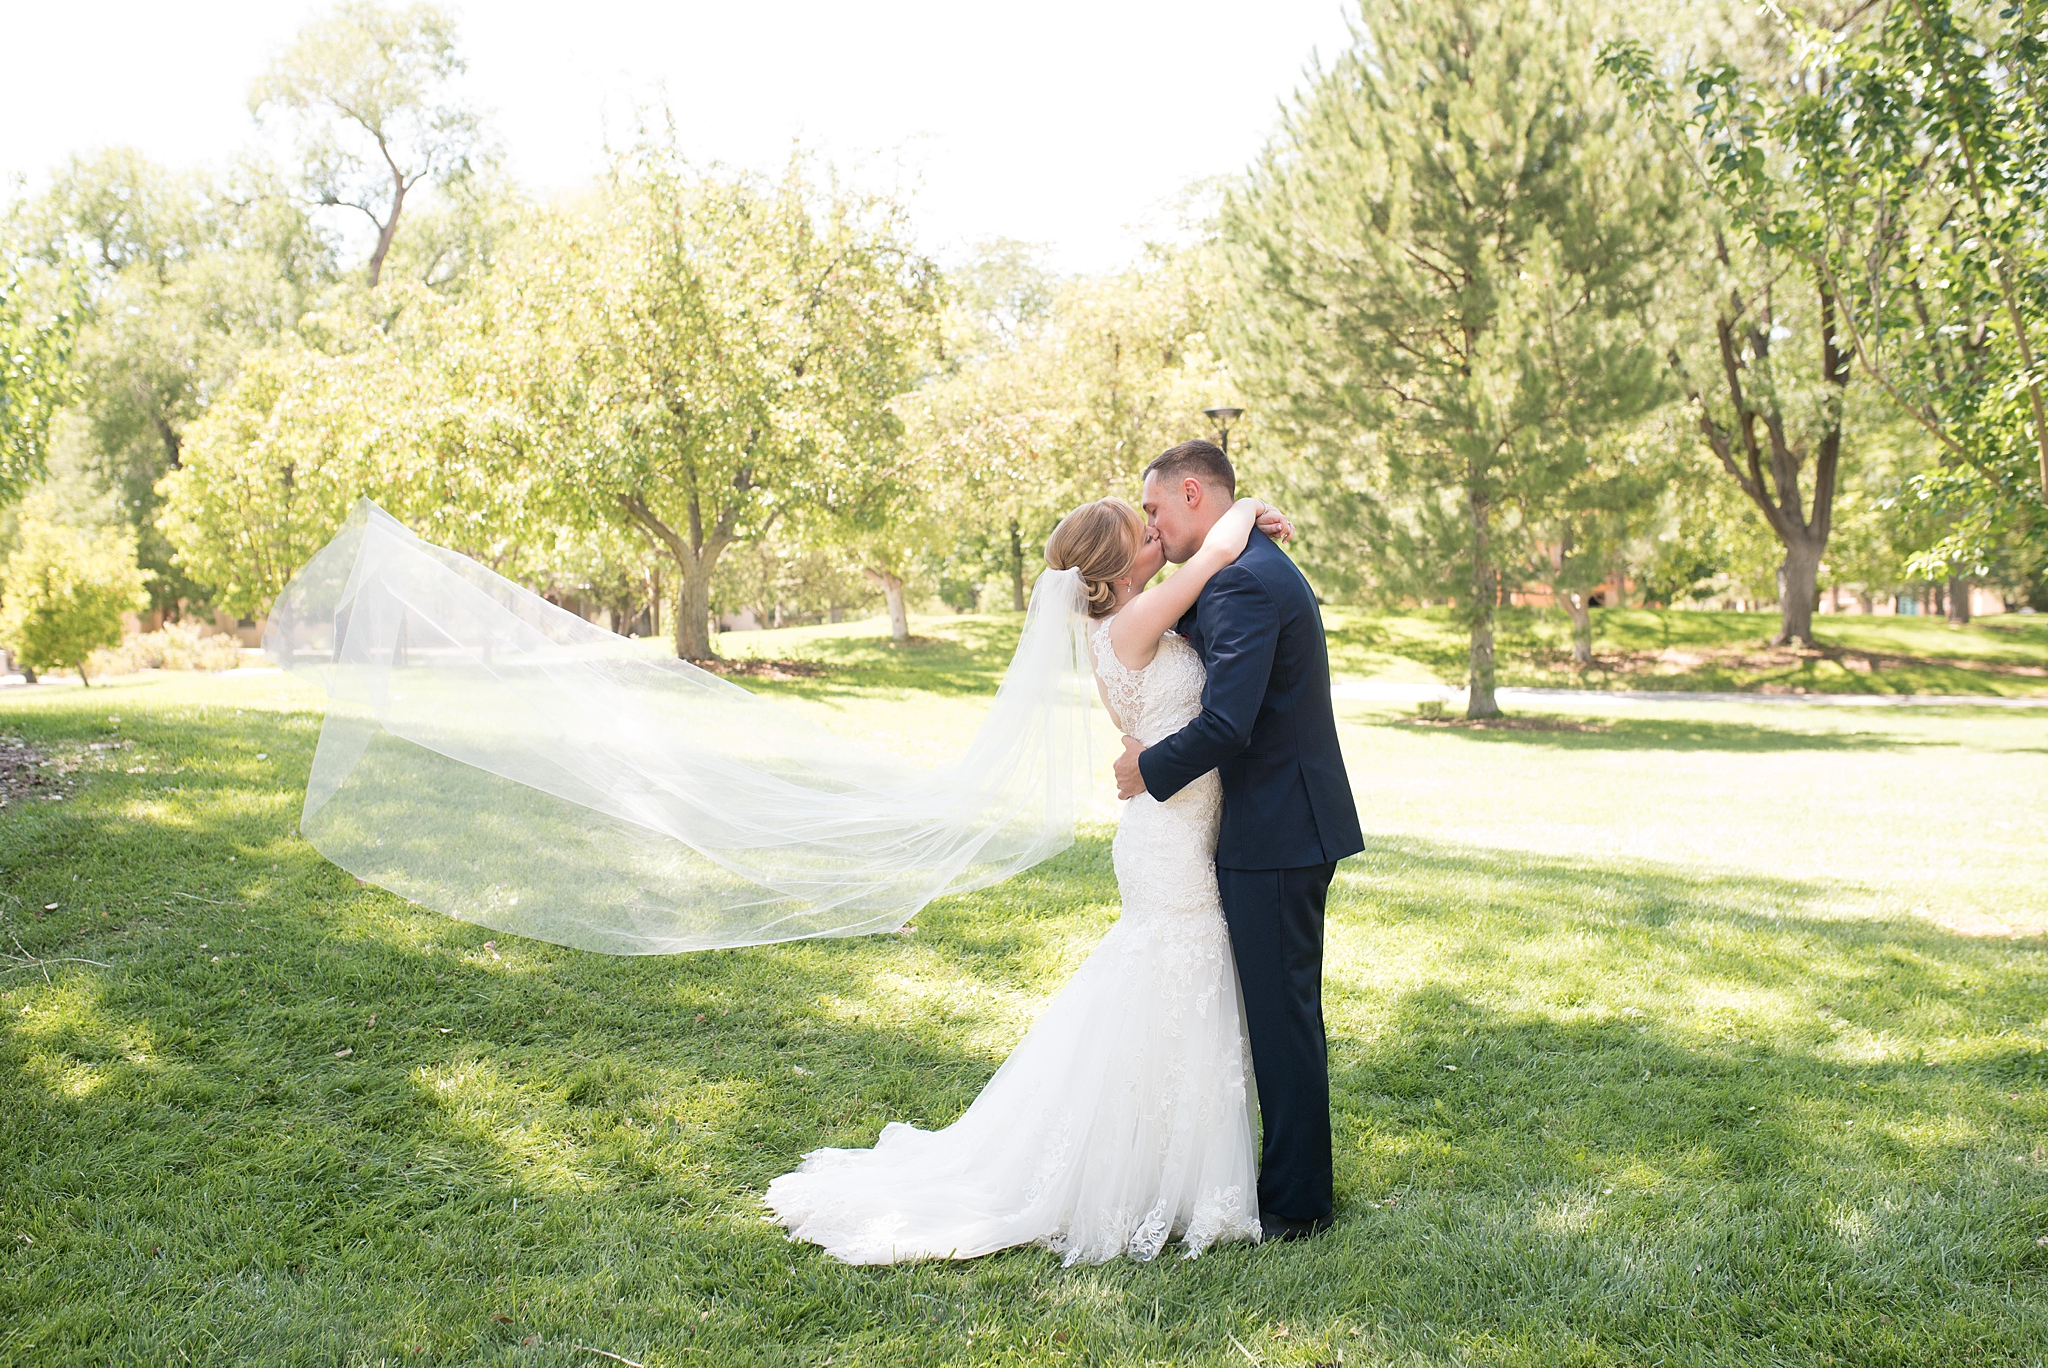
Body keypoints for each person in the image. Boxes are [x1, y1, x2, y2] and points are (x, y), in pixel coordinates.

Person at [764, 490, 1296, 1264]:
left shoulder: (1120, 626)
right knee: (1179, 980)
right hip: (1171, 839)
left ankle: (1166, 1165)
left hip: (1167, 827)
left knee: (1168, 985)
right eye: (1142, 534)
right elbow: (1215, 556)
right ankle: (1155, 1172)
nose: (1157, 535)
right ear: (1114, 574)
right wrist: (1246, 505)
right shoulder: (1138, 622)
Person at [1114, 439, 1363, 1240]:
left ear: (1193, 494)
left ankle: (1296, 1203)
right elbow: (1174, 612)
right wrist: (1247, 513)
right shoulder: (1238, 569)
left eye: (1154, 510)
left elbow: (1228, 721)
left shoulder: (1246, 585)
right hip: (1276, 825)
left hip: (1278, 831)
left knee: (1281, 1018)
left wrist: (1146, 768)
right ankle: (1290, 1182)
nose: (1152, 526)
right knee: (1279, 1013)